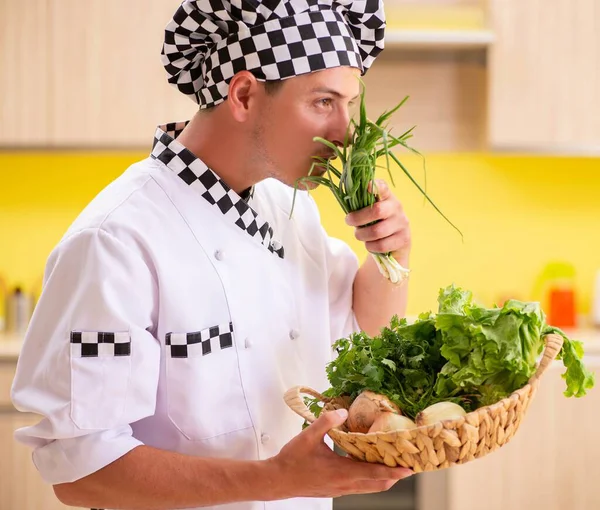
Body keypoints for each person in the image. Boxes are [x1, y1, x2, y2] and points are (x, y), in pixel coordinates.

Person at [11, 1, 413, 509]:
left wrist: (391, 253)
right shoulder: (115, 239)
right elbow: (80, 472)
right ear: (243, 94)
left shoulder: (290, 211)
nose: (345, 134)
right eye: (322, 102)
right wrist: (279, 479)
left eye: (349, 105)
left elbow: (365, 338)